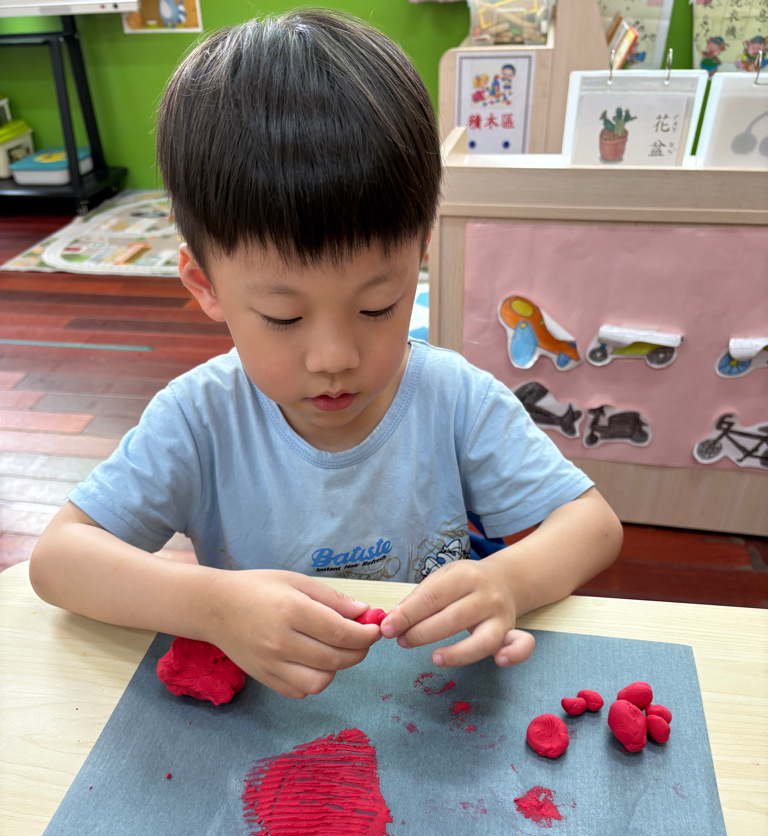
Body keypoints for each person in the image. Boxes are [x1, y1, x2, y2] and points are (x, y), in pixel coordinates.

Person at [29, 9, 623, 700]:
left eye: (378, 306)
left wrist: (506, 581)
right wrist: (213, 607)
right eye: (284, 317)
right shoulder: (199, 420)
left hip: (429, 702)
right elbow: (57, 560)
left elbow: (593, 527)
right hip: (268, 720)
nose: (335, 358)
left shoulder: (454, 399)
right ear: (205, 284)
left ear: (419, 258)